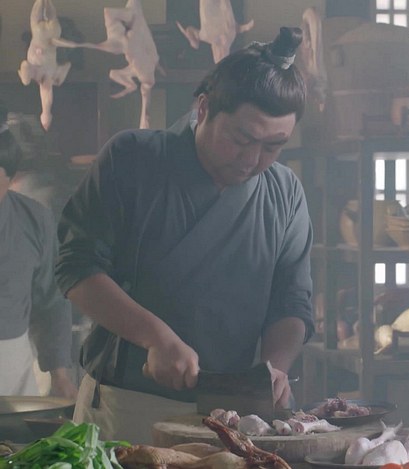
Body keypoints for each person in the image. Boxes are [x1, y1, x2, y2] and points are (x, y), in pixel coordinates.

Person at [55, 27, 314, 444]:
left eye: (273, 147)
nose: (252, 160)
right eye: (241, 139)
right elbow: (76, 268)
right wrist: (155, 338)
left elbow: (293, 302)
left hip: (238, 415)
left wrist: (275, 368)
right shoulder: (132, 159)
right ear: (204, 107)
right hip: (128, 404)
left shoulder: (284, 192)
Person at [0, 102, 77, 398]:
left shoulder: (33, 218)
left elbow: (50, 301)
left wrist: (60, 375)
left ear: (11, 178)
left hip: (13, 372)